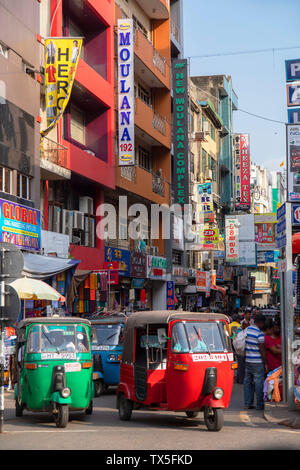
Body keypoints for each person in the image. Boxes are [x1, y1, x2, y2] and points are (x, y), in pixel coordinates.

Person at [244, 314, 268, 410]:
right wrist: (265, 363)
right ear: (261, 323)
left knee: (247, 383)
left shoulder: (248, 330)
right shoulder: (259, 333)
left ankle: (248, 403)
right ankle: (259, 405)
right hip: (257, 362)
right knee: (259, 383)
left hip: (248, 360)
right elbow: (262, 350)